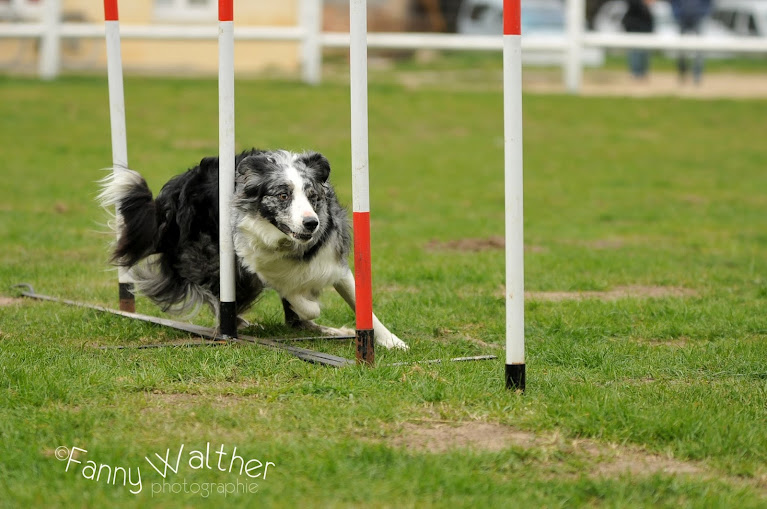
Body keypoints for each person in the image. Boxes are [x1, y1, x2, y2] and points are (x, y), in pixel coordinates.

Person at [671, 0, 713, 83]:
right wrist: (677, 13)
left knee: (699, 49)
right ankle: (682, 74)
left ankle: (697, 76)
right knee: (681, 49)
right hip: (682, 17)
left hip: (699, 17)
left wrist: (703, 13)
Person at [622, 0, 655, 80]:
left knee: (644, 52)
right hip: (634, 25)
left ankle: (642, 74)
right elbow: (633, 5)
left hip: (645, 26)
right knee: (635, 51)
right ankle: (636, 74)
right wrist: (644, 2)